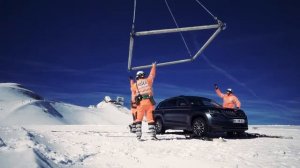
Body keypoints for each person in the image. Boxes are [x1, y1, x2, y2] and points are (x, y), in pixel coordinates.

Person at [132, 62, 157, 140]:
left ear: (137, 77)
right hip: (149, 102)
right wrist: (153, 66)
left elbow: (132, 90)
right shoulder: (148, 80)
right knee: (150, 119)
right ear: (143, 75)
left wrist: (131, 81)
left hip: (140, 104)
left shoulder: (135, 85)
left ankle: (138, 136)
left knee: (138, 119)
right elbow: (152, 75)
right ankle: (153, 135)